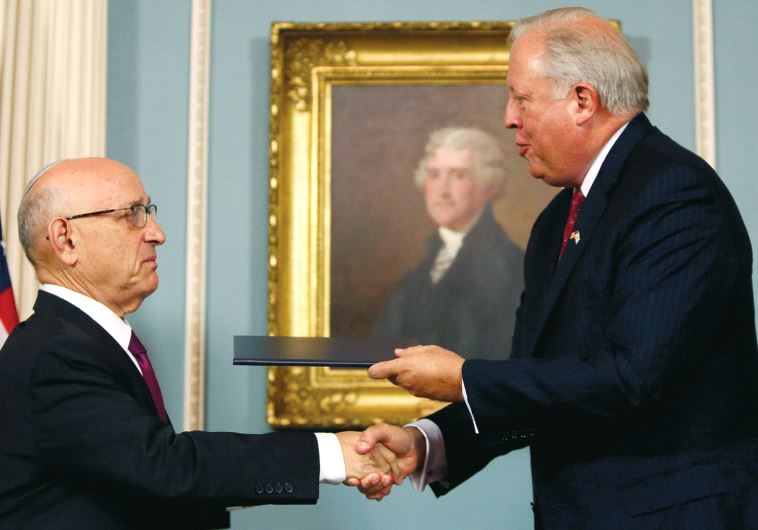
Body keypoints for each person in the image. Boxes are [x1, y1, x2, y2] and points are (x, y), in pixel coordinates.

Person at [353, 7, 758, 528]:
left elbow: (631, 379)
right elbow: (540, 380)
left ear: (582, 101)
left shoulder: (674, 194)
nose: (508, 117)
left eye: (521, 97)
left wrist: (463, 379)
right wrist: (428, 442)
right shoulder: (556, 221)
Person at [0, 158, 407, 528]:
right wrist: (332, 454)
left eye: (150, 213)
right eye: (133, 216)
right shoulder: (55, 353)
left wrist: (328, 460)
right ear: (66, 239)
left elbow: (139, 490)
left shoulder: (79, 342)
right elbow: (163, 468)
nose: (157, 234)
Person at [377, 127, 523, 360]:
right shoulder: (417, 276)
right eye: (434, 175)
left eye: (458, 175)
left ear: (489, 185)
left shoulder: (511, 270)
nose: (442, 191)